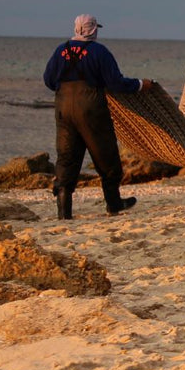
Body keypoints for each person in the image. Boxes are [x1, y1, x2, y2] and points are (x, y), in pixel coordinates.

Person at [42, 14, 155, 219]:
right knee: (105, 156)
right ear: (93, 30)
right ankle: (114, 204)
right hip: (91, 108)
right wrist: (140, 84)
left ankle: (64, 212)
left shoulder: (61, 50)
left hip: (64, 108)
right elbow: (115, 83)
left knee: (67, 157)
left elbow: (49, 80)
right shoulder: (99, 52)